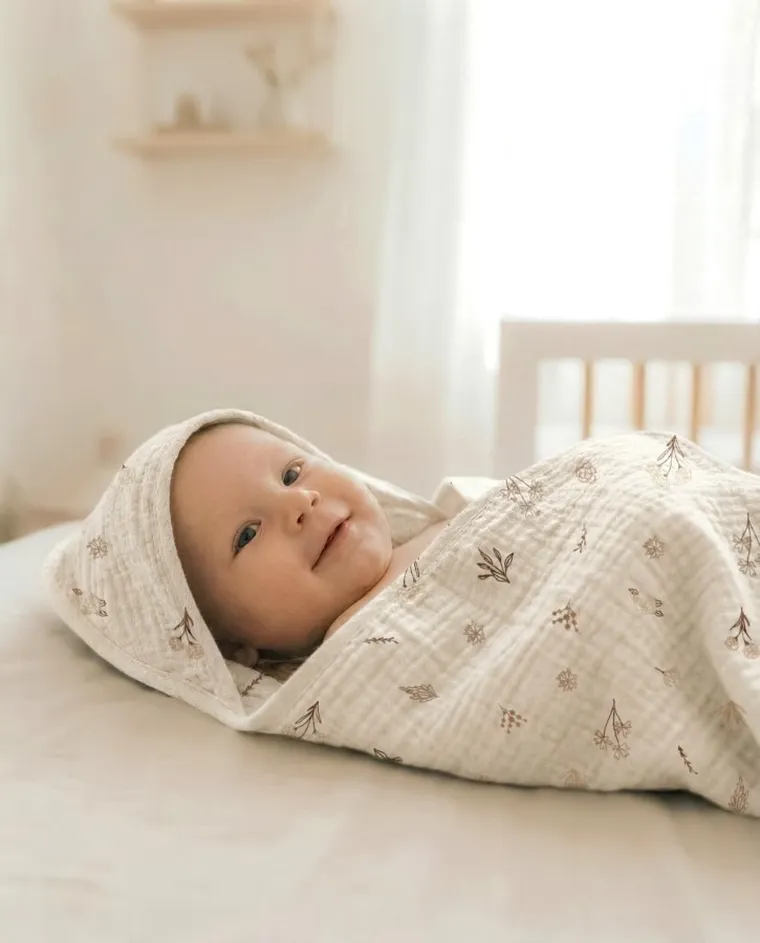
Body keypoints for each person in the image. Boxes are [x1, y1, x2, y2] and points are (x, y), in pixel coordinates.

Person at [170, 422, 448, 666]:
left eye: (291, 475)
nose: (300, 502)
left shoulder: (459, 512)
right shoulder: (343, 665)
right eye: (248, 534)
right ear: (226, 648)